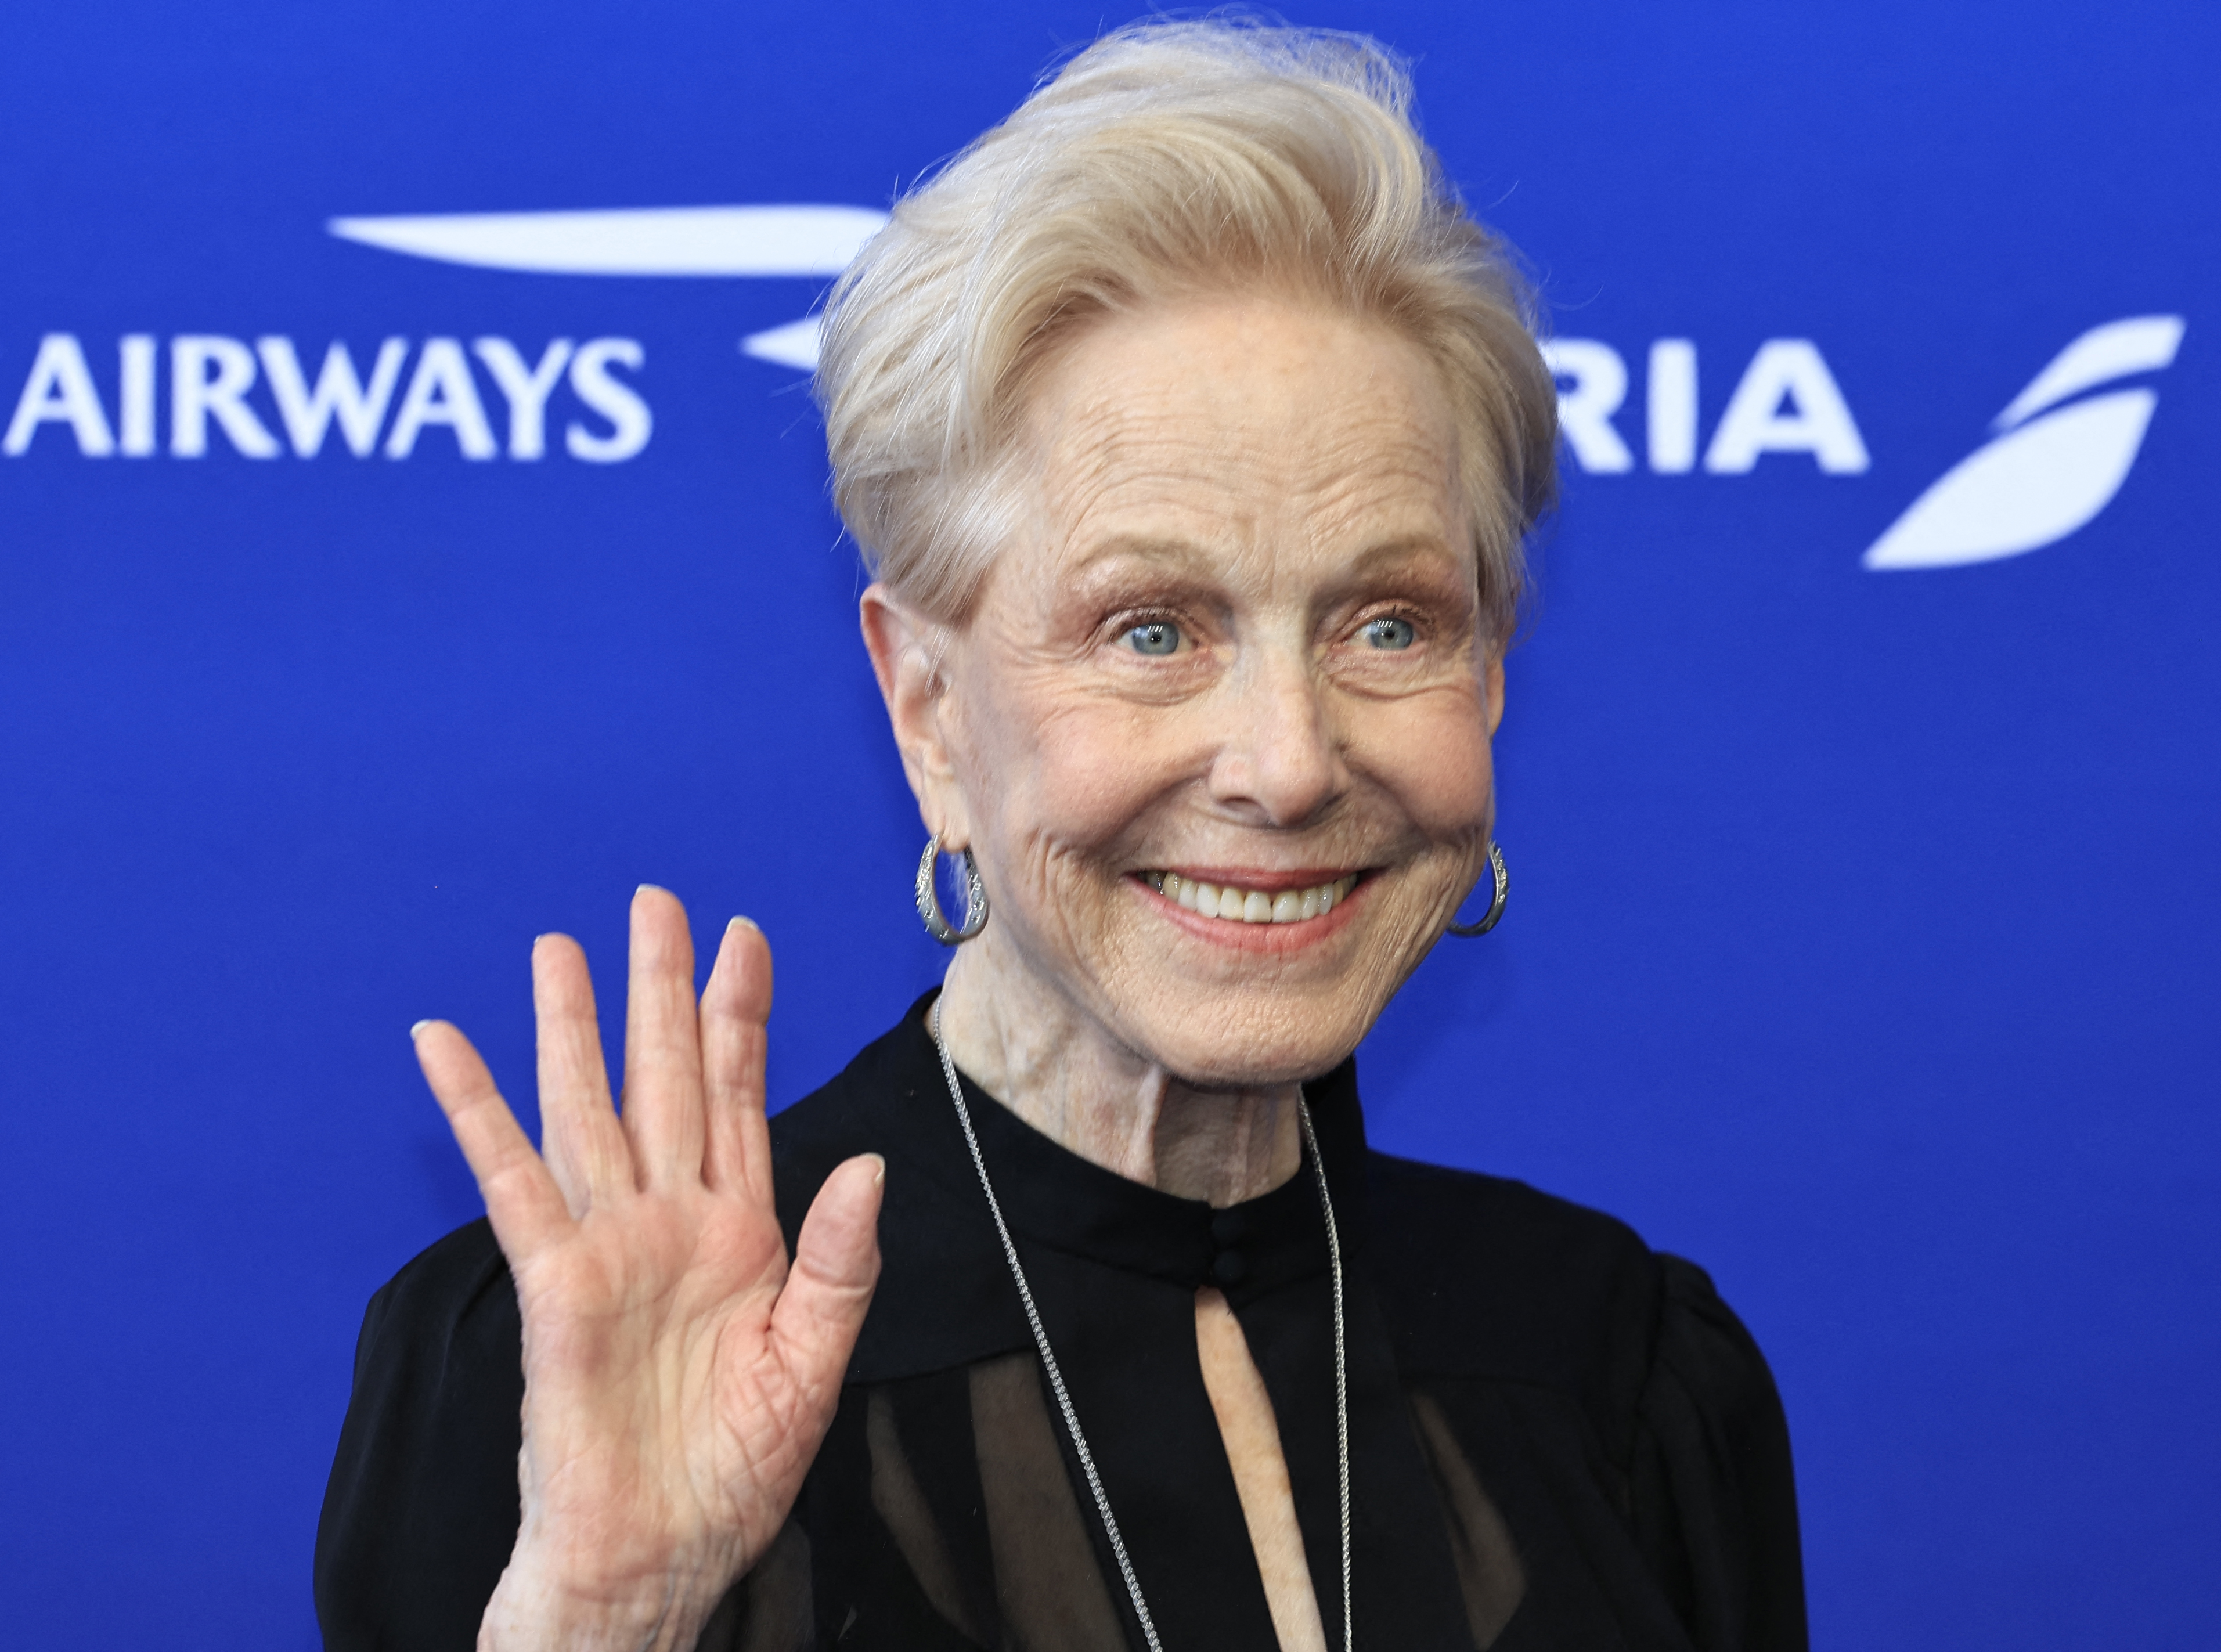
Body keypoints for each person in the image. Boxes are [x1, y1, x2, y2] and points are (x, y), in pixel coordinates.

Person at [315, 20, 1805, 1652]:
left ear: (1495, 672)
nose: (1290, 763)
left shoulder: (1619, 1372)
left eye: (1389, 624)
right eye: (1153, 630)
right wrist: (612, 1618)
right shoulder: (574, 1365)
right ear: (928, 707)